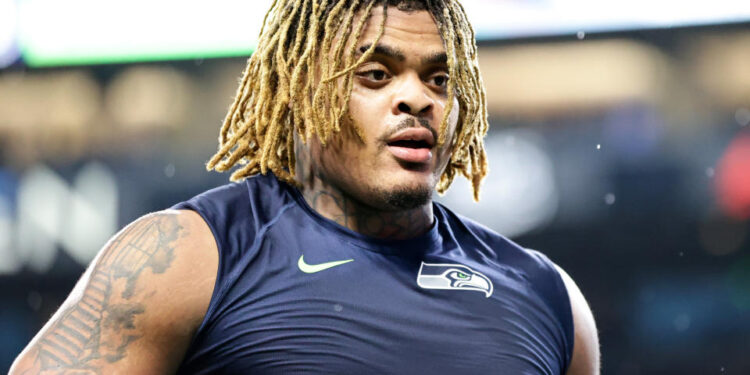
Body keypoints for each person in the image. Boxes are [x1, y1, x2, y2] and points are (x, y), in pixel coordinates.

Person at [11, 0, 600, 374]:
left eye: (439, 78)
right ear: (301, 91)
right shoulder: (186, 259)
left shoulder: (548, 299)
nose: (417, 97)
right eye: (376, 74)